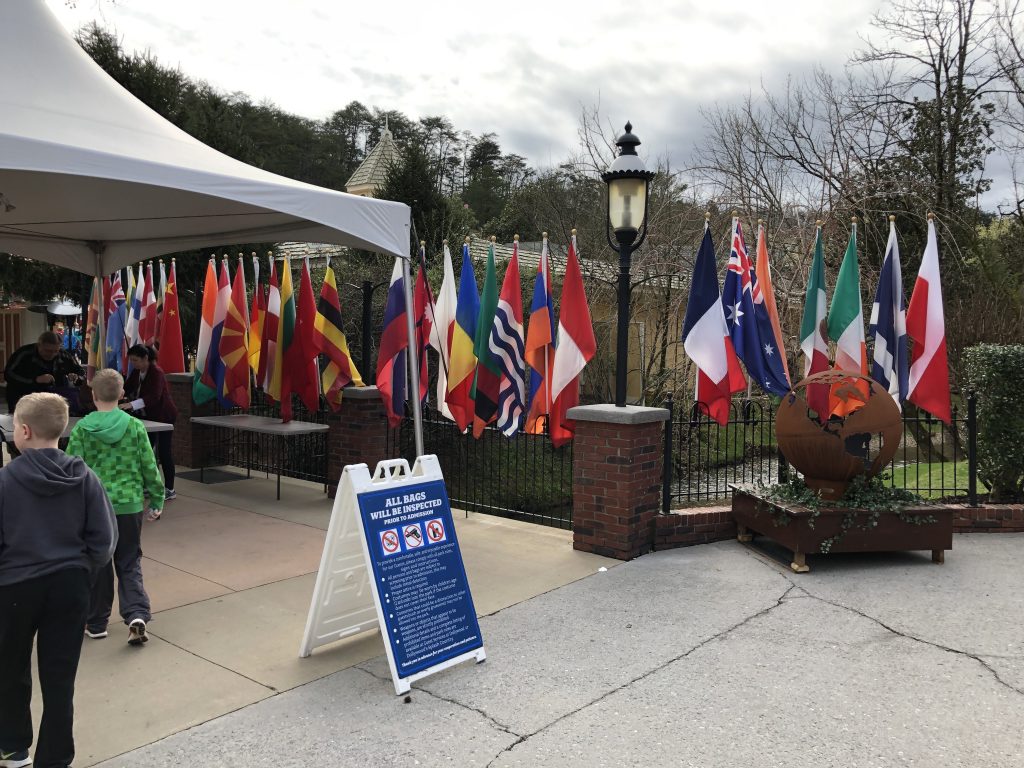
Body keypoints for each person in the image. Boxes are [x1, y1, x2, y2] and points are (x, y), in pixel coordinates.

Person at [0, 393, 117, 768]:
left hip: (15, 588)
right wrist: (84, 571)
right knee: (59, 677)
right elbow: (104, 540)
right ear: (63, 429)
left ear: (23, 431)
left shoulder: (5, 482)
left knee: (9, 668)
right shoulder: (86, 478)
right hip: (69, 586)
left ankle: (13, 746)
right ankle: (54, 759)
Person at [65, 369, 162, 647]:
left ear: (93, 394)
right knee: (129, 561)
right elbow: (149, 467)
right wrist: (156, 499)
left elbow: (73, 470)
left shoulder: (82, 429)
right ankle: (136, 614)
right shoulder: (134, 427)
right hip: (129, 505)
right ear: (122, 394)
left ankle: (96, 623)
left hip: (95, 508)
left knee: (99, 565)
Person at [122, 344, 179, 501]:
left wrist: (131, 405)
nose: (134, 364)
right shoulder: (137, 372)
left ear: (146, 358)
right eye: (132, 361)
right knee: (146, 451)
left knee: (164, 452)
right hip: (148, 418)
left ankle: (169, 488)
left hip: (164, 416)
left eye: (136, 360)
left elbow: (154, 396)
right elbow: (127, 387)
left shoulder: (157, 373)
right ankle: (149, 485)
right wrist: (117, 393)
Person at [3, 331, 85, 414]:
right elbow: (9, 374)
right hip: (23, 398)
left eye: (55, 351)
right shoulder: (24, 354)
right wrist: (35, 380)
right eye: (47, 351)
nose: (52, 354)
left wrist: (76, 377)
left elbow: (81, 372)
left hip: (53, 401)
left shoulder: (64, 355)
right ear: (39, 345)